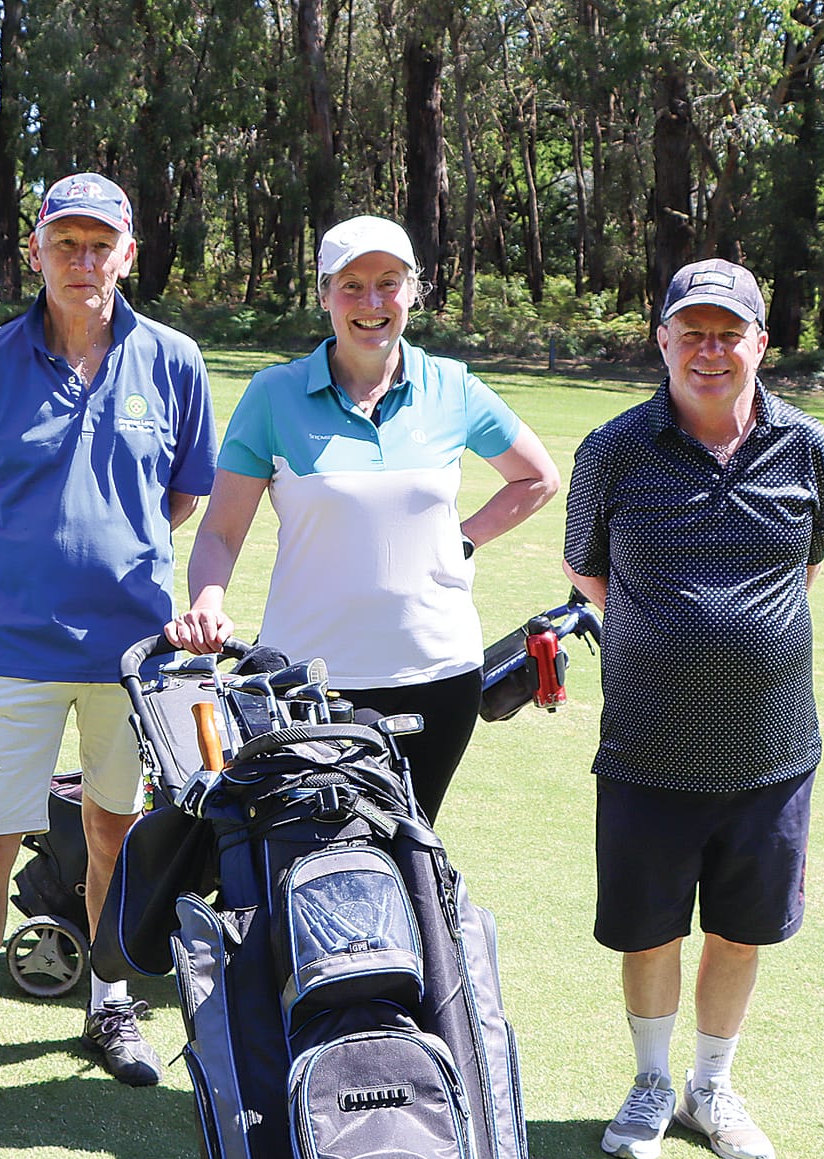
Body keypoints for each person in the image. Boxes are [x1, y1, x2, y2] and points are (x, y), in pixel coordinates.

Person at [0, 172, 218, 1118]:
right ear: (34, 251)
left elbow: (182, 497)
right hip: (17, 651)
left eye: (99, 244)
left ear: (128, 253)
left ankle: (110, 1005)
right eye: (64, 243)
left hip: (133, 656)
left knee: (116, 834)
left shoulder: (174, 360)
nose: (83, 261)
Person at [568, 258, 824, 1159]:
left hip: (771, 750)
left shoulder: (810, 448)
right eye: (693, 332)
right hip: (648, 743)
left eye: (730, 333)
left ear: (761, 343)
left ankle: (710, 1084)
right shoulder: (611, 448)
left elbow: (804, 567)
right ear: (664, 341)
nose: (711, 351)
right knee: (648, 928)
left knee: (740, 929)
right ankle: (651, 1081)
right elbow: (587, 570)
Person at [164, 215, 560, 819]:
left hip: (439, 671)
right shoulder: (273, 394)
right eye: (351, 285)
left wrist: (462, 541)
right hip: (307, 682)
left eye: (388, 282)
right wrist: (207, 603)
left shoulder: (450, 386)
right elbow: (220, 531)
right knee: (312, 856)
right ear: (324, 295)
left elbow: (537, 478)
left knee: (413, 849)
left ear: (412, 291)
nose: (370, 302)